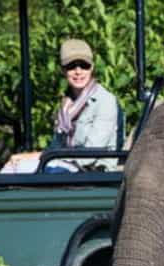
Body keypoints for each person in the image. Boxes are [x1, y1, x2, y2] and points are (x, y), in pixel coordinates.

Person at [47, 38, 121, 172]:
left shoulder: (105, 101)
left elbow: (91, 153)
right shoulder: (66, 106)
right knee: (15, 167)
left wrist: (54, 160)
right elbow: (55, 148)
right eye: (71, 66)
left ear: (91, 67)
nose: (78, 71)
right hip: (66, 166)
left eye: (84, 65)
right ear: (63, 70)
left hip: (94, 173)